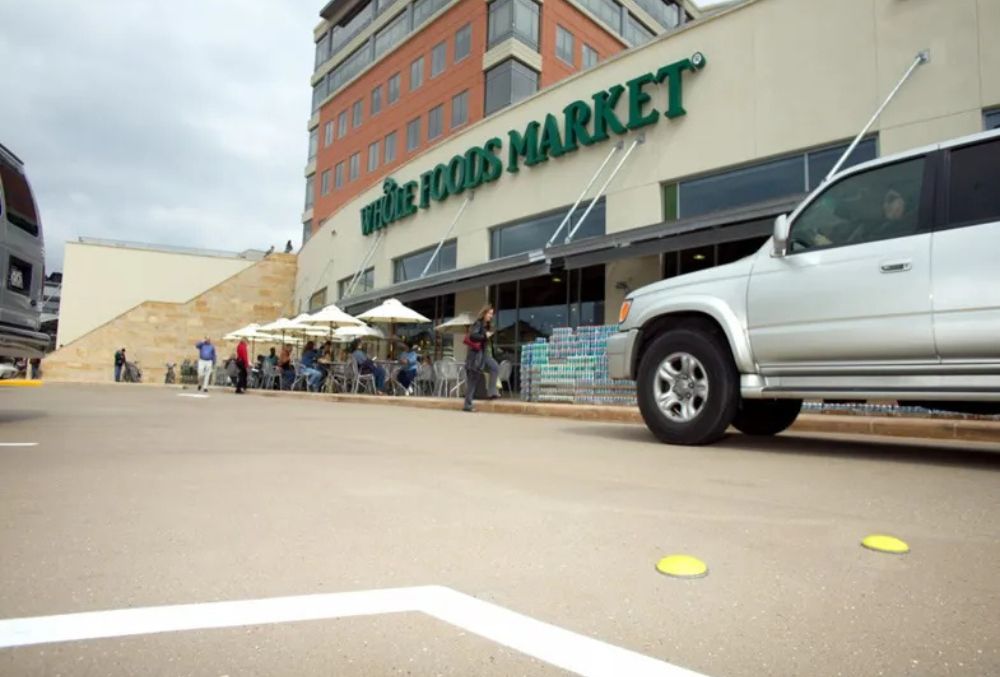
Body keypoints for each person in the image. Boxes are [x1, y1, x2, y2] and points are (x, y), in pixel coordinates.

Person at [463, 305, 500, 412]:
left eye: (492, 314)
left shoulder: (485, 325)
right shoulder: (478, 323)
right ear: (484, 313)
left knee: (494, 368)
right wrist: (485, 336)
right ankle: (468, 405)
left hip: (482, 356)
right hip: (475, 357)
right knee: (472, 381)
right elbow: (473, 336)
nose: (491, 316)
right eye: (489, 313)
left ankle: (491, 392)